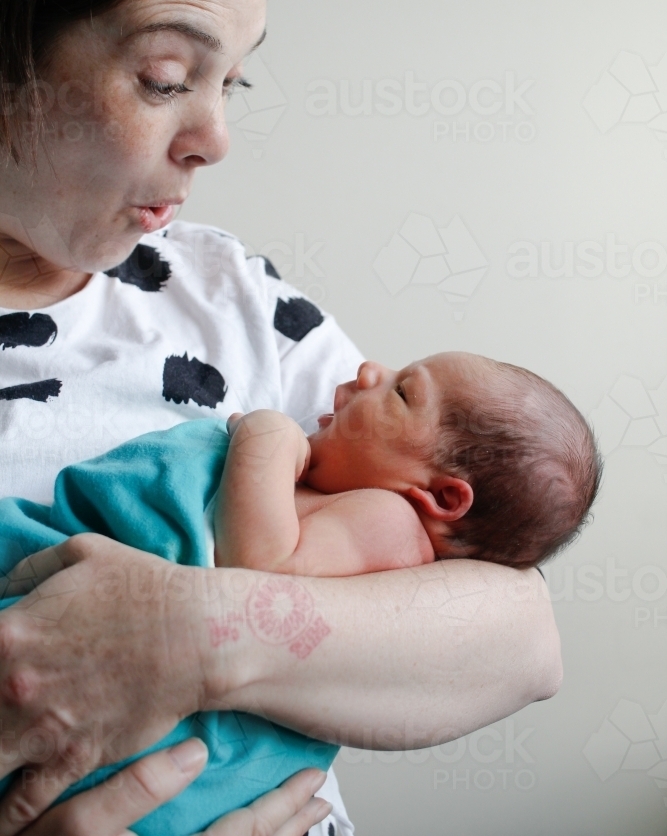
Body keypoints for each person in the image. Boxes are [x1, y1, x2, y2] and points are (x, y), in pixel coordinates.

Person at [0, 0, 563, 834]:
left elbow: (516, 638)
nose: (215, 136)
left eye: (235, 84)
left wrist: (183, 632)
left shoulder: (231, 297)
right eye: (168, 77)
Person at [0, 348, 596, 833]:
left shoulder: (387, 523)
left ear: (442, 498)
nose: (369, 370)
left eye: (403, 393)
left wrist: (266, 439)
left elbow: (263, 571)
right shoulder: (350, 490)